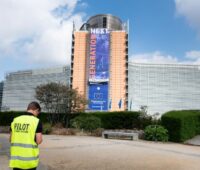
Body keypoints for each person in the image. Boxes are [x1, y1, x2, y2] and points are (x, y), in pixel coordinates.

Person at [9, 101, 43, 170]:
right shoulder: (36, 121)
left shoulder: (15, 120)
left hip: (16, 161)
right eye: (38, 113)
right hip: (30, 161)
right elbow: (39, 141)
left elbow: (10, 139)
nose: (37, 115)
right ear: (36, 110)